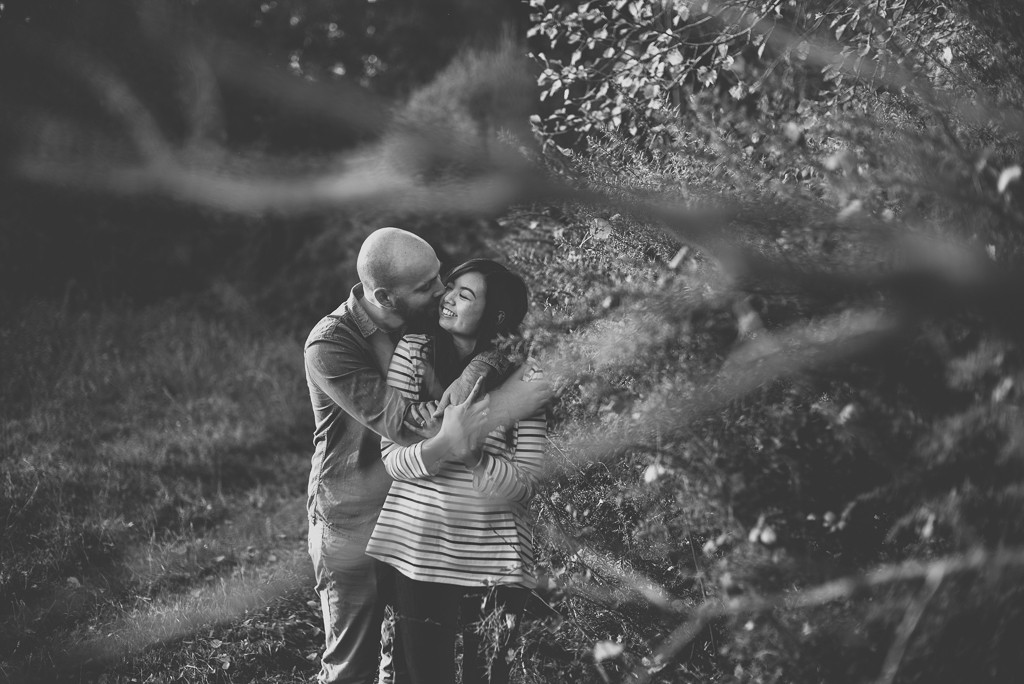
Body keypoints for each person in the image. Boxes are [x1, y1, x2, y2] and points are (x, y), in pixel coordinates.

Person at [304, 230, 551, 684]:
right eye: (428, 287)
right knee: (351, 668)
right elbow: (406, 427)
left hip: (415, 523)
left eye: (442, 278)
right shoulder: (332, 345)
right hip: (355, 518)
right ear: (385, 296)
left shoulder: (420, 323)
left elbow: (497, 330)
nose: (441, 293)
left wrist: (487, 365)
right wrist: (513, 398)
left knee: (399, 666)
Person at [365, 259, 547, 684]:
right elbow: (392, 459)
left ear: (496, 315)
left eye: (465, 295)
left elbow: (525, 487)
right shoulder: (415, 352)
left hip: (495, 561)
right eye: (450, 289)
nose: (447, 298)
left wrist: (471, 455)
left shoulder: (529, 374)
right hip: (416, 553)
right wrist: (443, 443)